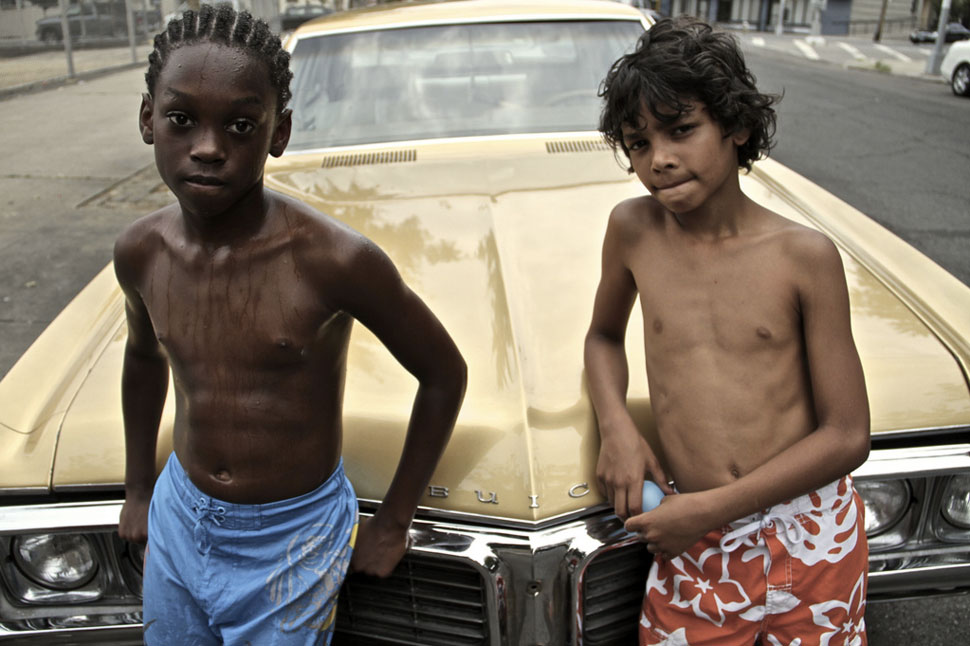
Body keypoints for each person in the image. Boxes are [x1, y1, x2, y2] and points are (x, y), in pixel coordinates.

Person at [114, 5, 467, 645]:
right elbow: (143, 360)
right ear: (148, 120)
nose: (208, 147)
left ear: (280, 132)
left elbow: (444, 372)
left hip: (291, 539)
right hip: (178, 514)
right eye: (181, 119)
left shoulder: (334, 259)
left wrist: (394, 517)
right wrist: (140, 487)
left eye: (242, 125)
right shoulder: (141, 252)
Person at [585, 17, 870, 646]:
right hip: (692, 528)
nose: (658, 158)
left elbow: (848, 434)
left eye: (681, 130)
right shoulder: (632, 230)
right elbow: (603, 338)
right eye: (636, 144)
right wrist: (617, 428)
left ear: (736, 125)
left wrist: (710, 509)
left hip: (809, 532)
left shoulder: (805, 256)